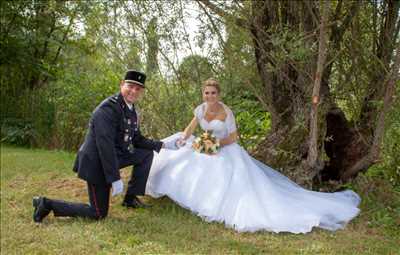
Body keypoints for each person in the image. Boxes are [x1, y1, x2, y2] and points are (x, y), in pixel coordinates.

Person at [146, 78, 361, 233]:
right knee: (181, 155)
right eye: (206, 93)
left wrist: (216, 144)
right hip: (205, 143)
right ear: (203, 94)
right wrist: (185, 138)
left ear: (218, 95)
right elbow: (190, 128)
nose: (209, 96)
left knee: (220, 172)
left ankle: (212, 204)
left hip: (224, 147)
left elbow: (234, 136)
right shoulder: (200, 109)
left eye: (213, 93)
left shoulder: (226, 111)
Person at [32, 70, 179, 223]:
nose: (133, 91)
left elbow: (136, 139)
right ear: (122, 85)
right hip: (96, 162)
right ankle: (46, 203)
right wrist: (114, 178)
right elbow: (105, 146)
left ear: (141, 91)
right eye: (130, 86)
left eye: (138, 89)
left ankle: (130, 199)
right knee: (98, 213)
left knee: (146, 154)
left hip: (115, 156)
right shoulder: (107, 109)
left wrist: (163, 145)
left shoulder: (132, 110)